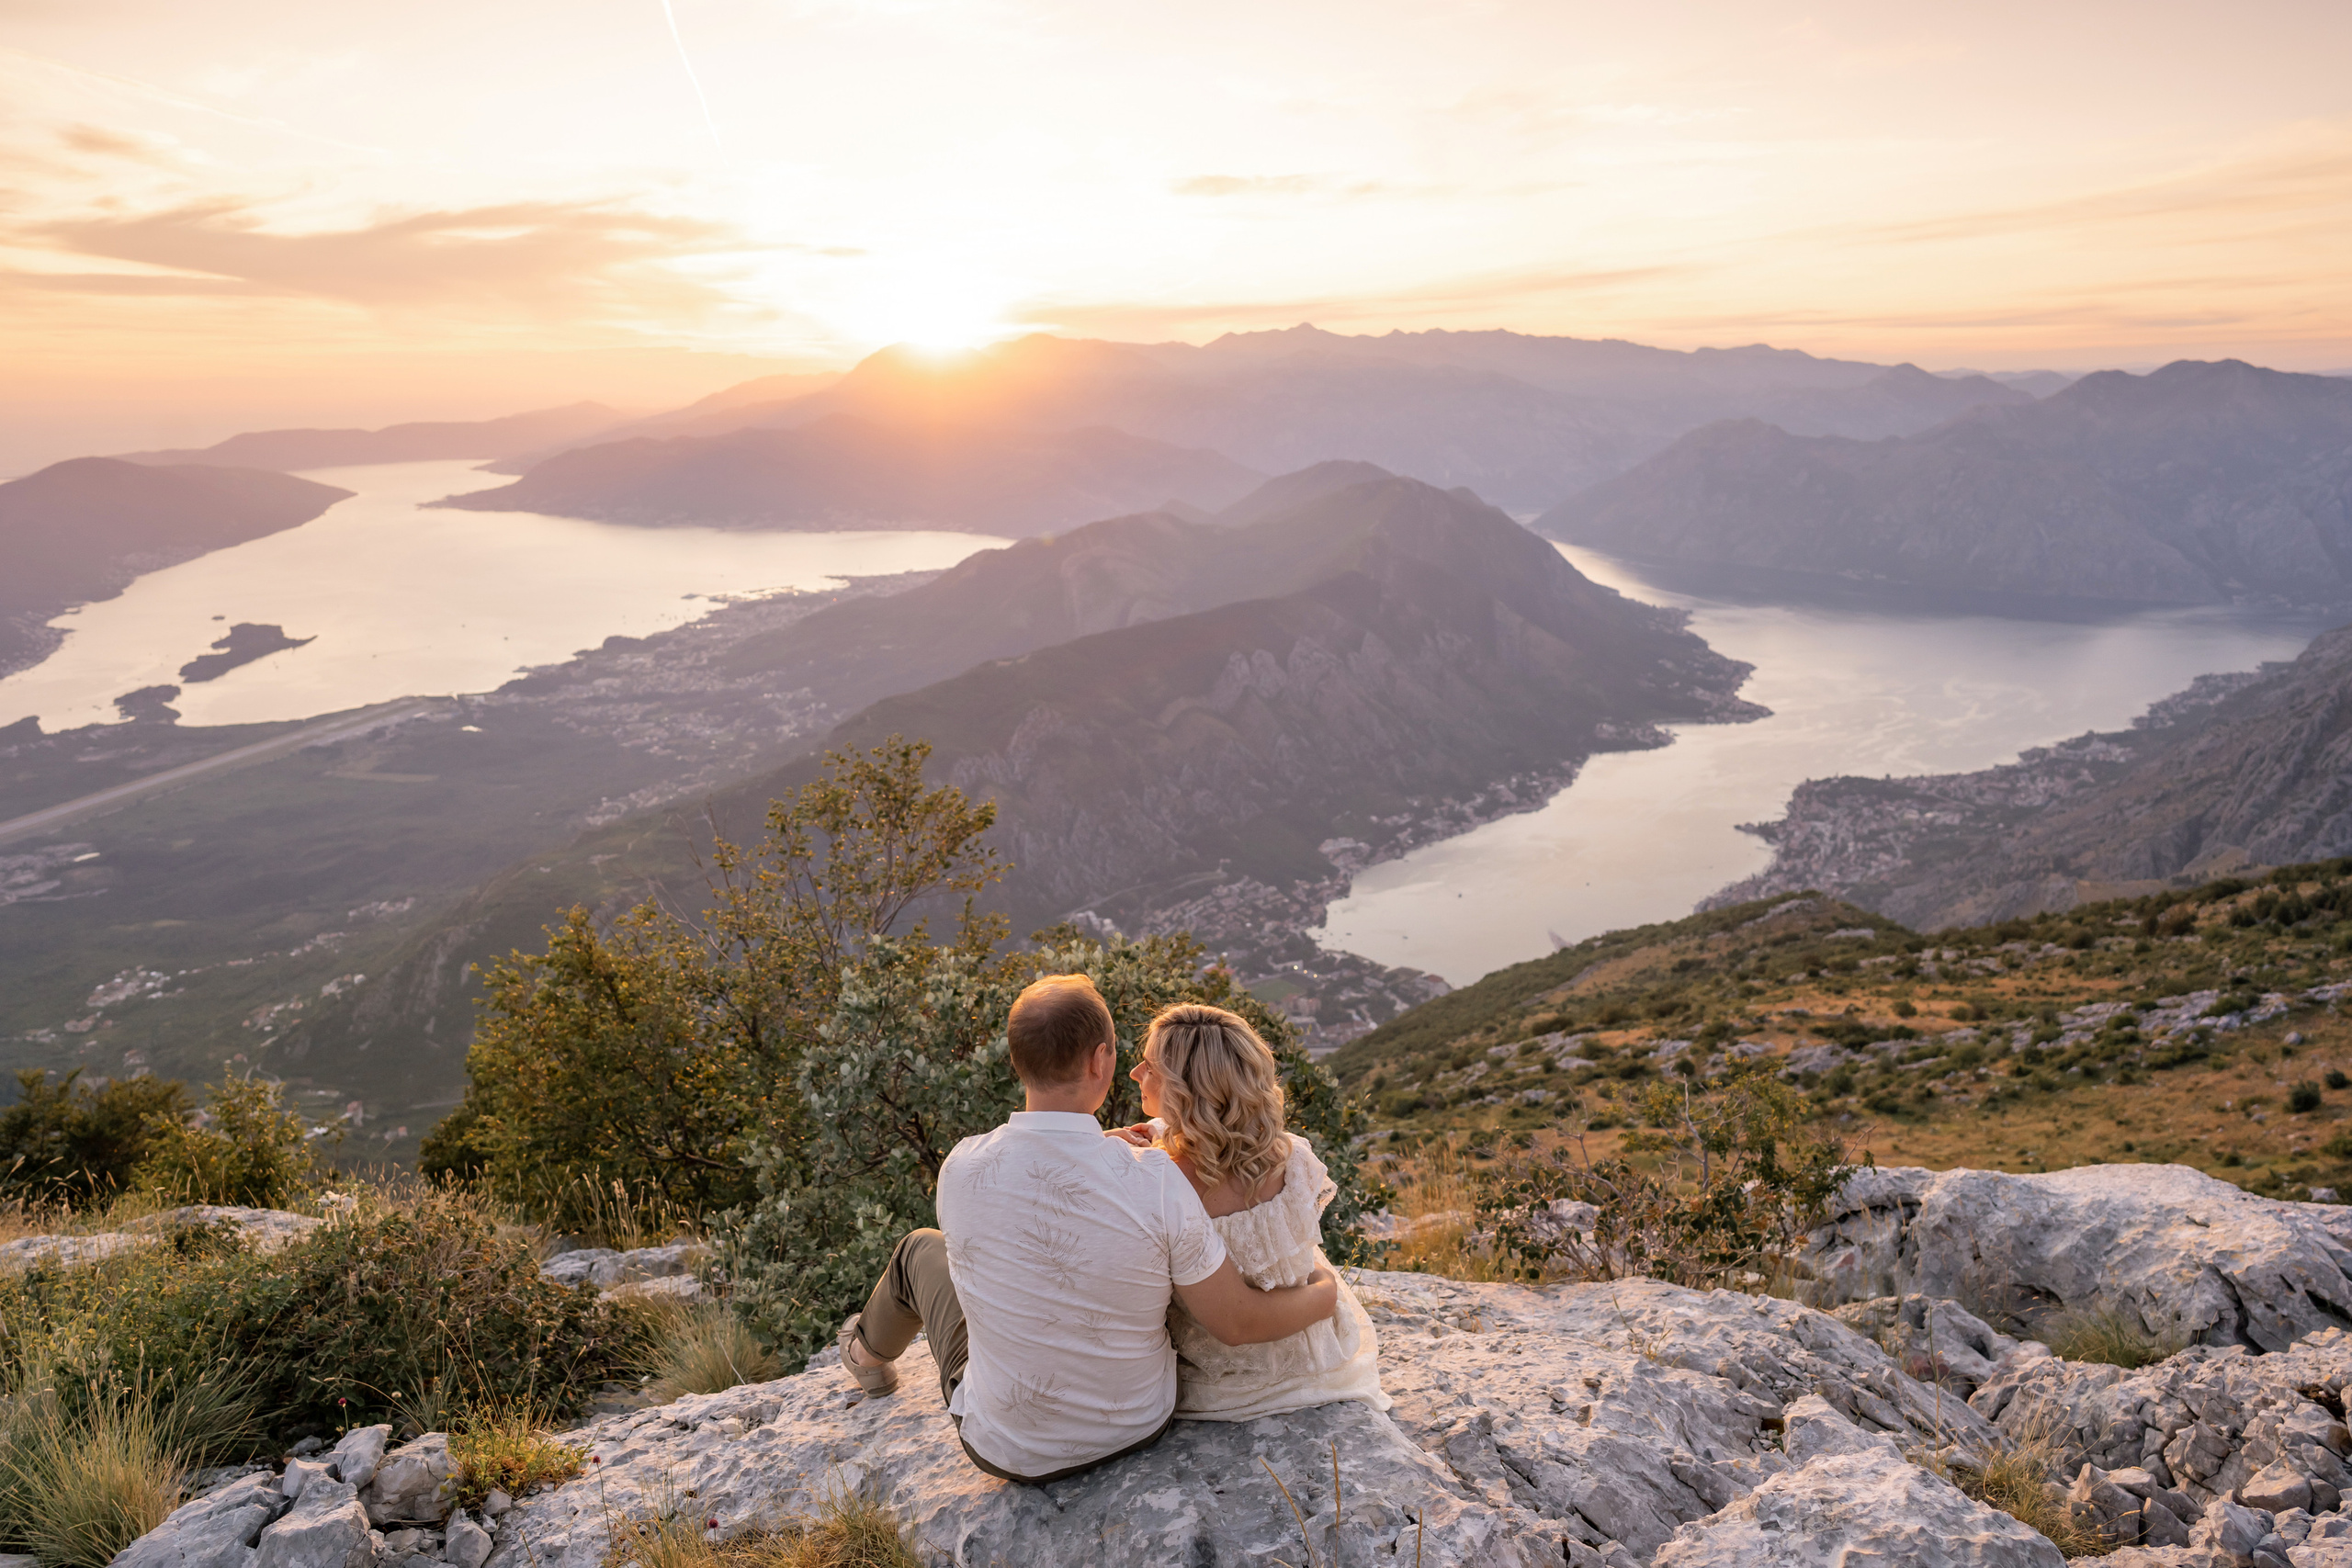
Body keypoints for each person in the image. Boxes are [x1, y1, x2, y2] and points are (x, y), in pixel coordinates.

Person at [835, 973, 1341, 1485]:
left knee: (919, 1249)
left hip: (1011, 1451)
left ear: (1018, 1060)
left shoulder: (961, 1166)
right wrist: (1326, 1291)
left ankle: (865, 1355)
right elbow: (1233, 1320)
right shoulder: (1157, 1179)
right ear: (1100, 1061)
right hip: (1140, 1424)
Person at [1108, 1003, 1387, 1420]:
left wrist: (1108, 1146)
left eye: (1148, 1067)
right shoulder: (1294, 1159)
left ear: (1183, 1089)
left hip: (1221, 1384)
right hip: (1319, 1360)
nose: (1134, 1074)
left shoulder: (1162, 1181)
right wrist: (1326, 1286)